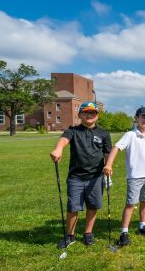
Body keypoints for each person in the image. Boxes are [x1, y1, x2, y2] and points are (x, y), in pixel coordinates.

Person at [50, 102, 112, 248]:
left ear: (97, 115)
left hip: (96, 177)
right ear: (79, 115)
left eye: (93, 113)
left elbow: (107, 152)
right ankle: (70, 235)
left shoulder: (103, 133)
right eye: (86, 112)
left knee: (93, 206)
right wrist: (58, 150)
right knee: (73, 207)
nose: (89, 115)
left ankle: (88, 233)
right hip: (76, 177)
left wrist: (108, 165)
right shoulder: (73, 131)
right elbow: (63, 140)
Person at [103, 107, 145, 246]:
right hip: (135, 176)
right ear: (136, 118)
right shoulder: (130, 135)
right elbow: (116, 148)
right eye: (143, 117)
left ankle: (142, 226)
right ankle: (124, 232)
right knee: (130, 204)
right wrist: (109, 164)